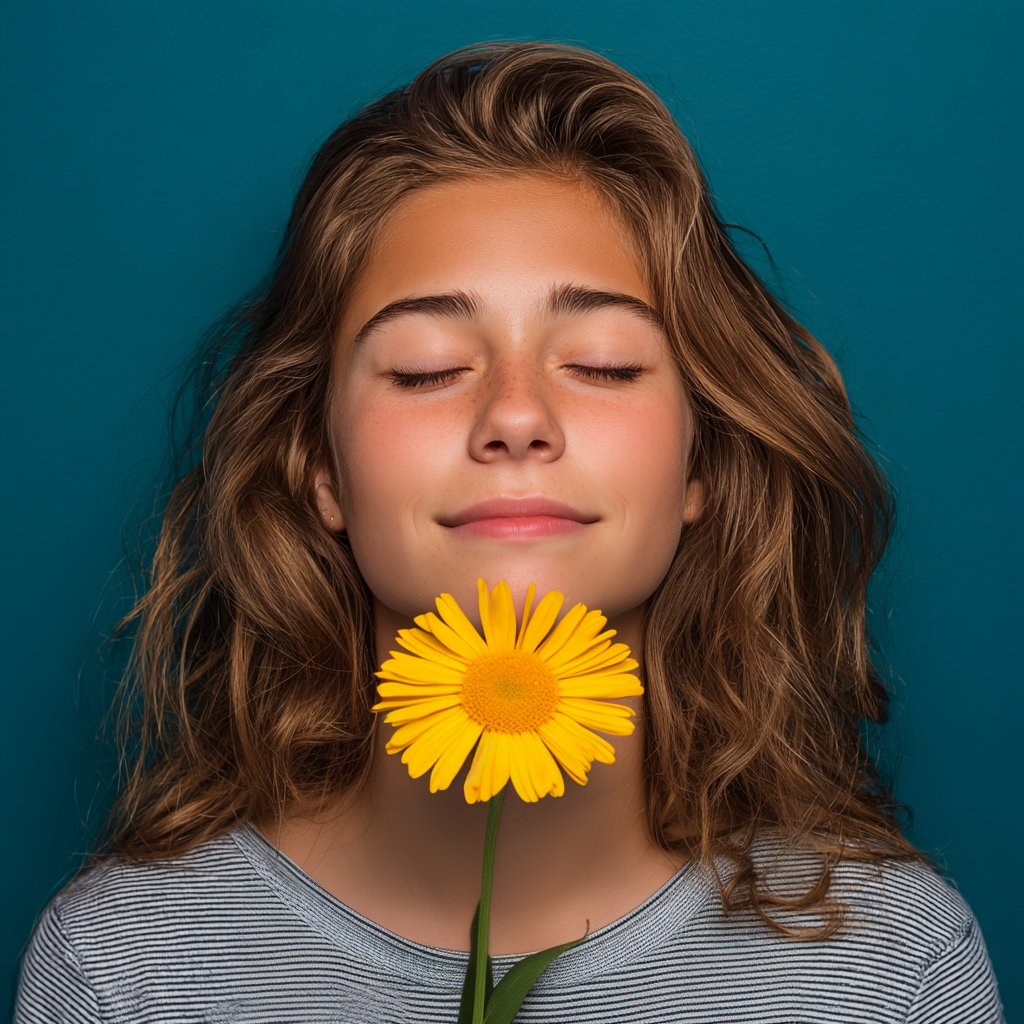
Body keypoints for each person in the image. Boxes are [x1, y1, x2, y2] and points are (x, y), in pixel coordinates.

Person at [16, 41, 1003, 1023]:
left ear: (698, 463)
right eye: (427, 366)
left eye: (606, 362)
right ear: (320, 470)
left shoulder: (892, 967)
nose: (516, 414)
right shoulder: (118, 968)